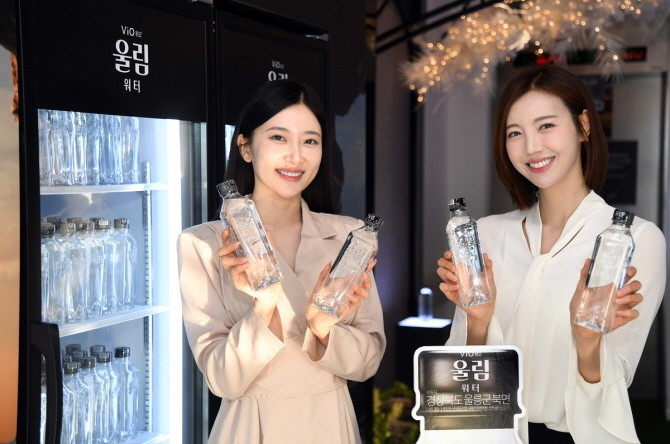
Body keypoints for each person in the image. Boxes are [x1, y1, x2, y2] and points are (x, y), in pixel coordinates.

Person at [437, 64, 665, 443]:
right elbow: (462, 385)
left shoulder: (636, 239)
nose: (531, 147)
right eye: (515, 133)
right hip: (491, 433)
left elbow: (617, 380)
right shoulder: (484, 234)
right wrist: (478, 322)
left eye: (546, 125)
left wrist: (587, 340)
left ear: (584, 126)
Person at [178, 79, 386, 443]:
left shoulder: (350, 236)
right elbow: (221, 380)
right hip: (250, 429)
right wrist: (264, 305)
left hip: (330, 426)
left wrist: (323, 330)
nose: (296, 156)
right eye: (278, 137)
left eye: (310, 141)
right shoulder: (202, 245)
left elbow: (368, 363)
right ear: (245, 147)